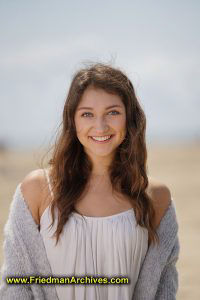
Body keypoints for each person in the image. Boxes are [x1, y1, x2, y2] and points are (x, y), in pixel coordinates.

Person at [0, 63, 180, 299]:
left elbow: (163, 290)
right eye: (87, 114)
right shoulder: (38, 189)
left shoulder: (155, 197)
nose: (100, 126)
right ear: (73, 121)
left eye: (113, 112)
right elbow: (16, 283)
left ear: (129, 118)